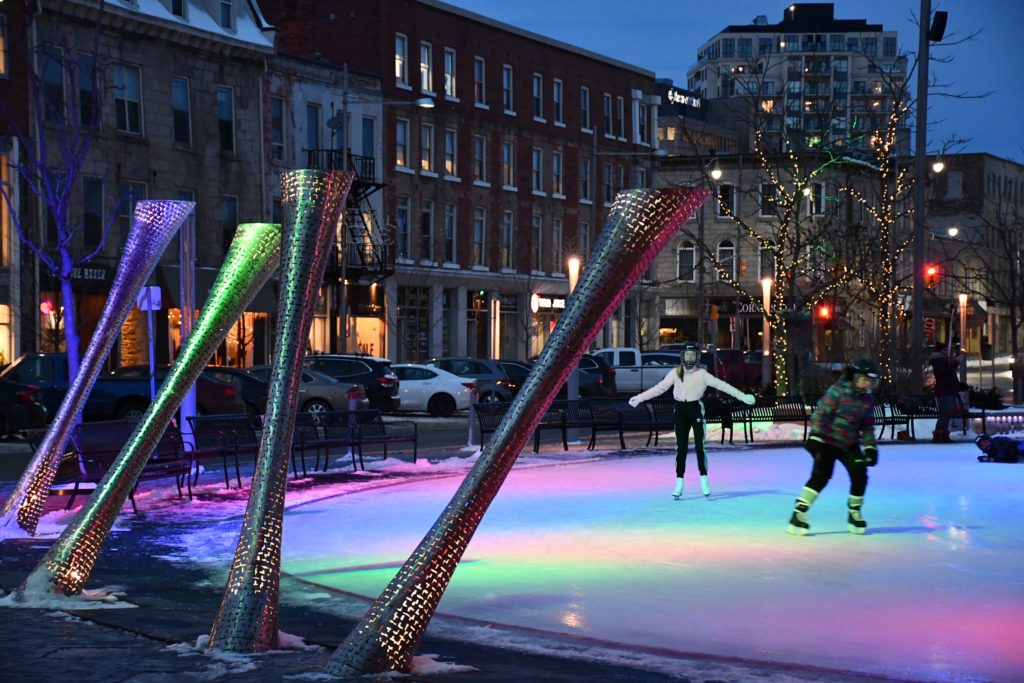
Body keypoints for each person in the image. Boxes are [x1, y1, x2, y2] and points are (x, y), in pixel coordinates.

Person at [628, 342, 755, 499]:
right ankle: (679, 481)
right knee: (681, 448)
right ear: (682, 357)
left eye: (692, 355)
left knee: (700, 446)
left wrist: (742, 397)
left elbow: (722, 385)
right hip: (680, 410)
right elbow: (659, 388)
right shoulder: (675, 373)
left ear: (697, 357)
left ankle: (704, 478)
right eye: (687, 355)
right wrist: (640, 398)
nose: (689, 358)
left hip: (695, 409)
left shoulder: (702, 374)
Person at [787, 358, 879, 536]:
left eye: (871, 381)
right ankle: (798, 514)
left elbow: (867, 426)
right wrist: (816, 437)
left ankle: (854, 513)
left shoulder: (867, 399)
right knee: (821, 475)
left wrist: (870, 447)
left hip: (848, 443)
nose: (867, 384)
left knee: (859, 472)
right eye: (864, 379)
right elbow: (821, 415)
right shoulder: (838, 392)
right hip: (827, 441)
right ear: (855, 377)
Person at [930, 342, 961, 443]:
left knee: (946, 414)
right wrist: (956, 362)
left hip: (947, 391)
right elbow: (947, 372)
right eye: (944, 350)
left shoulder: (942, 360)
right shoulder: (939, 361)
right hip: (945, 392)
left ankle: (942, 434)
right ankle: (939, 435)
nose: (946, 352)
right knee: (945, 414)